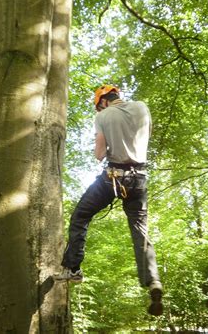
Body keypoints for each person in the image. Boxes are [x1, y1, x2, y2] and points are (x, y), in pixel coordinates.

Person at [54, 84, 163, 316]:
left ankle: (73, 268)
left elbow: (100, 154)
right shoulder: (142, 107)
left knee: (81, 215)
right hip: (140, 180)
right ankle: (153, 282)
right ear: (117, 96)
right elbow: (147, 134)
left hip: (113, 179)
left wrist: (108, 137)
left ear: (102, 102)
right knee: (140, 232)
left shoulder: (103, 116)